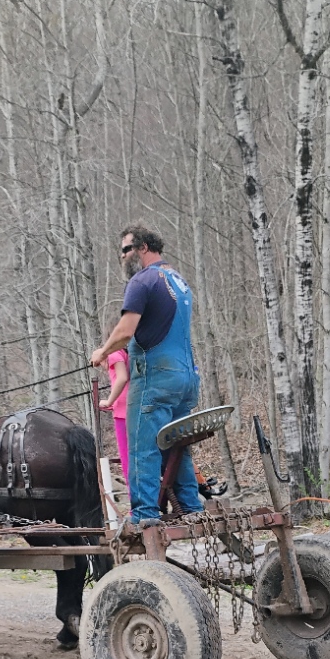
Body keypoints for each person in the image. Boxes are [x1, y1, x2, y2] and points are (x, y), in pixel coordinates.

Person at [90, 225, 204, 528]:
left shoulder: (143, 280)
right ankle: (192, 508)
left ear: (142, 247)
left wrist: (102, 352)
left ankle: (144, 516)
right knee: (177, 446)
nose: (122, 256)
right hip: (186, 380)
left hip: (155, 378)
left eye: (126, 250)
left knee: (143, 448)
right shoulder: (179, 281)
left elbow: (126, 331)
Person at [98, 332, 130, 485]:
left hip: (124, 414)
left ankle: (136, 506)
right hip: (128, 408)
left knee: (127, 461)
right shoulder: (126, 353)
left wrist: (110, 400)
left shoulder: (114, 354)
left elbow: (122, 378)